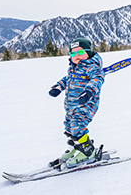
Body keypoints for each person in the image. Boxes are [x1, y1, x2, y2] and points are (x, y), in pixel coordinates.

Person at [48, 38, 105, 168]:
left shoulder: (92, 67)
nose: (76, 56)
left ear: (88, 52)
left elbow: (97, 79)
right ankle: (77, 148)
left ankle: (88, 152)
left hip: (86, 104)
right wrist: (58, 87)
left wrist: (89, 92)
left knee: (77, 125)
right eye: (73, 53)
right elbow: (67, 79)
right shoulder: (73, 68)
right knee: (69, 127)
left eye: (80, 52)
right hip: (71, 106)